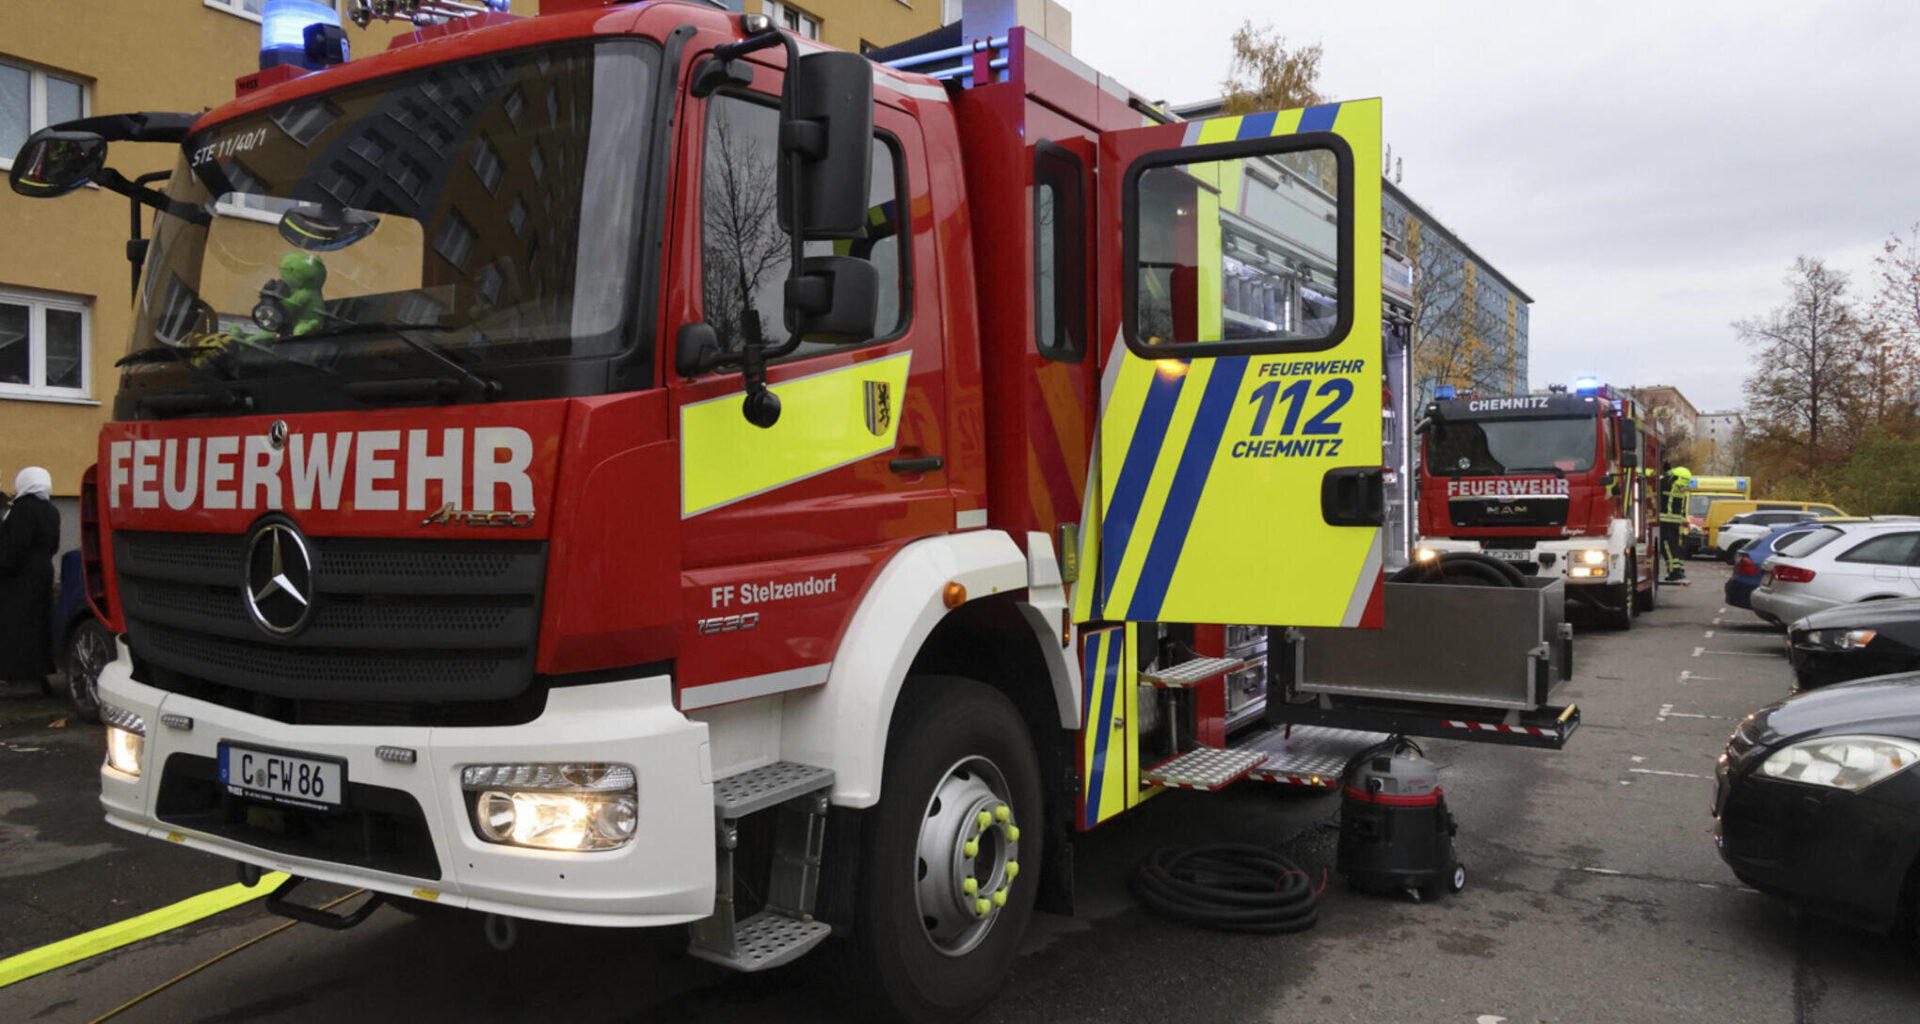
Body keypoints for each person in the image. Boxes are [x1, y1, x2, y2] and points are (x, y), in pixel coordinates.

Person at [0, 467, 61, 689]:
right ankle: (40, 673)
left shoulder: (23, 510)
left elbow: (16, 547)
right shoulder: (51, 510)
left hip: (19, 578)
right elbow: (54, 545)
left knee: (16, 626)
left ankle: (15, 673)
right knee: (39, 624)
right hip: (43, 573)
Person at [1659, 464, 1692, 582]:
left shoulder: (1668, 484)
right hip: (1675, 521)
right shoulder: (1682, 488)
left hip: (1665, 519)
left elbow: (1657, 481)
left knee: (1666, 545)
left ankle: (1674, 571)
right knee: (1674, 545)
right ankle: (1679, 569)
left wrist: (1667, 471)